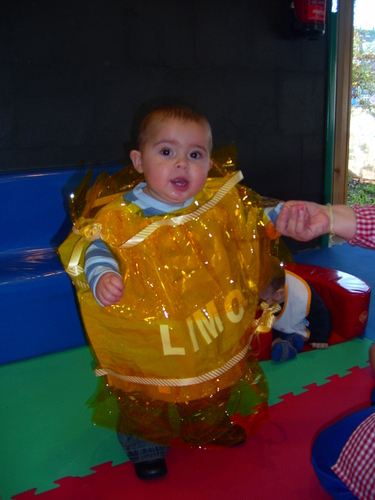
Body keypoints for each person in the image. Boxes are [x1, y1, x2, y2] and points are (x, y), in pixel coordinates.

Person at [59, 105, 277, 481]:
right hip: (150, 329)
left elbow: (251, 220)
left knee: (211, 380)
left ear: (209, 164)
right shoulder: (120, 215)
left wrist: (282, 216)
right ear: (138, 161)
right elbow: (92, 246)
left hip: (205, 318)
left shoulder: (217, 201)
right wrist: (101, 274)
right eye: (166, 152)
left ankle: (204, 424)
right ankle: (146, 443)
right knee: (148, 395)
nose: (182, 164)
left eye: (195, 155)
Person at [274, 199, 375, 499]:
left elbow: (320, 317)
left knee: (326, 453)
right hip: (283, 324)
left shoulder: (302, 294)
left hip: (302, 327)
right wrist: (331, 216)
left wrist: (319, 338)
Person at [259, 266, 331, 363]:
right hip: (276, 322)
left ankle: (290, 340)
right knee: (264, 330)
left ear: (278, 295)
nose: (258, 303)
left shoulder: (302, 296)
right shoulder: (269, 292)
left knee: (315, 325)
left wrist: (319, 337)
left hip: (300, 323)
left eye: (261, 301)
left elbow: (320, 313)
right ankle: (281, 342)